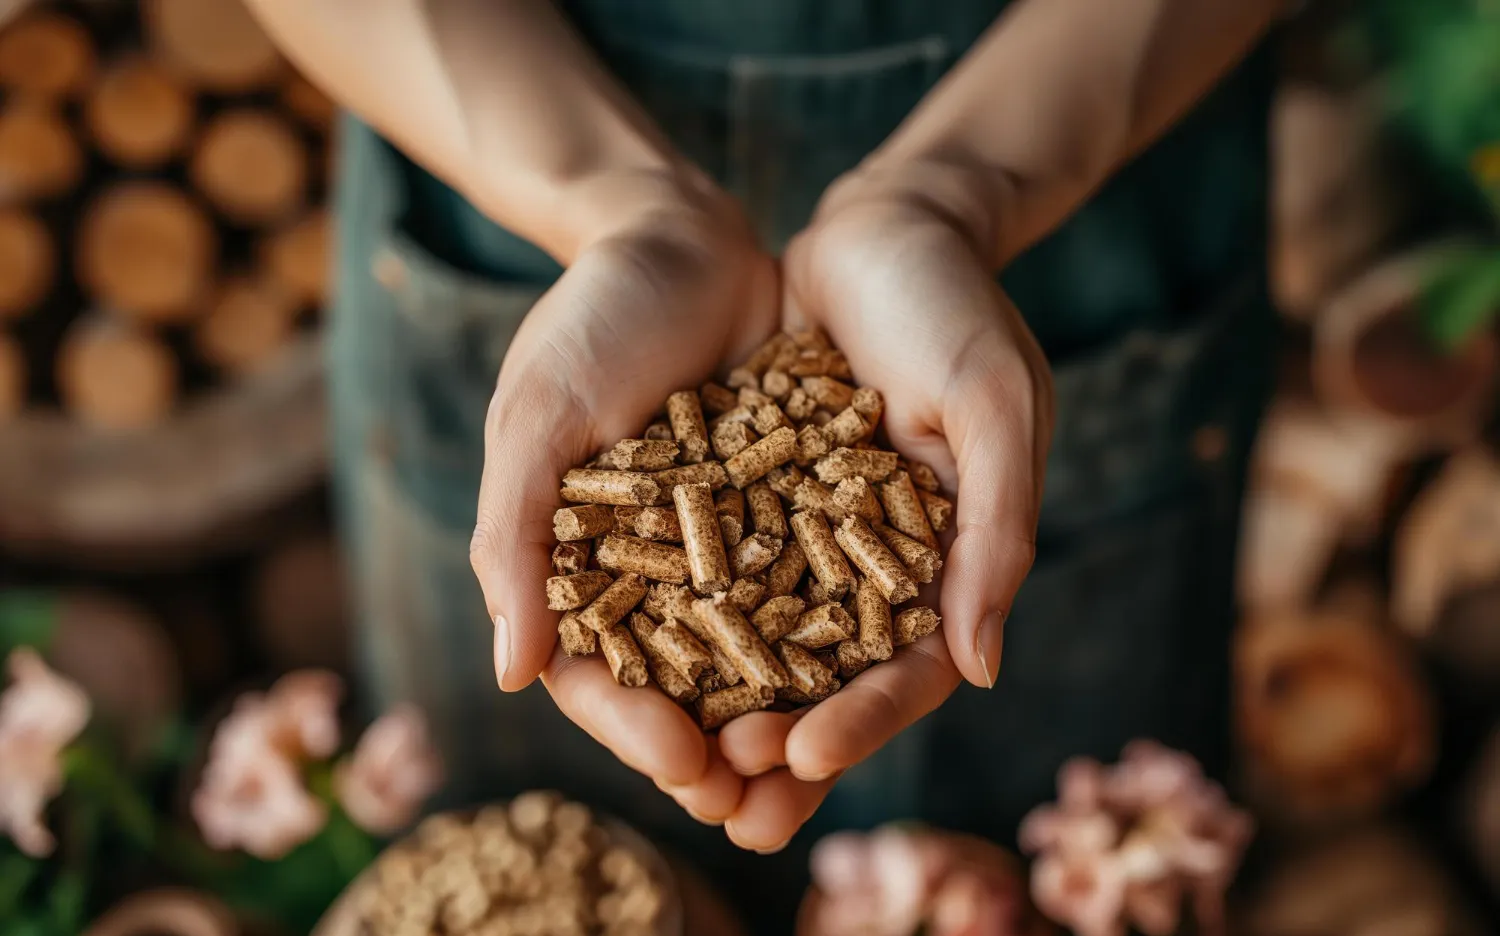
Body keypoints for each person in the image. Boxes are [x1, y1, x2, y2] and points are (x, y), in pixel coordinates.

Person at [244, 0, 1286, 867]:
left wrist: (959, 186)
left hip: (1088, 156)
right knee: (544, 853)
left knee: (1040, 873)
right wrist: (610, 203)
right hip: (492, 154)